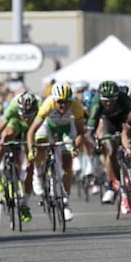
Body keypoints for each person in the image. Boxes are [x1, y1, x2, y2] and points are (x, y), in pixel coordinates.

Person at [27, 82, 85, 222]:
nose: (63, 106)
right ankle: (38, 172)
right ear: (54, 100)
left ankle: (66, 202)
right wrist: (31, 150)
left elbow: (80, 133)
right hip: (48, 127)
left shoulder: (76, 107)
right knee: (40, 141)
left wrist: (75, 149)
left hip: (66, 129)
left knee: (67, 168)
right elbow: (31, 131)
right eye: (59, 102)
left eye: (66, 102)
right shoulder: (47, 105)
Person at [0, 91, 42, 222]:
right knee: (5, 136)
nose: (26, 117)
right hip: (15, 122)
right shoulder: (12, 108)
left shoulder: (40, 106)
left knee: (30, 166)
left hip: (32, 128)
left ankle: (24, 204)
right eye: (24, 113)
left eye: (29, 113)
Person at [85, 80, 131, 214]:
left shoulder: (123, 99)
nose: (108, 103)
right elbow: (89, 131)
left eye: (112, 100)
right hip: (109, 122)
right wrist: (95, 143)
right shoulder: (96, 104)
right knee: (111, 151)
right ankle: (117, 183)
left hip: (124, 119)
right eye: (105, 101)